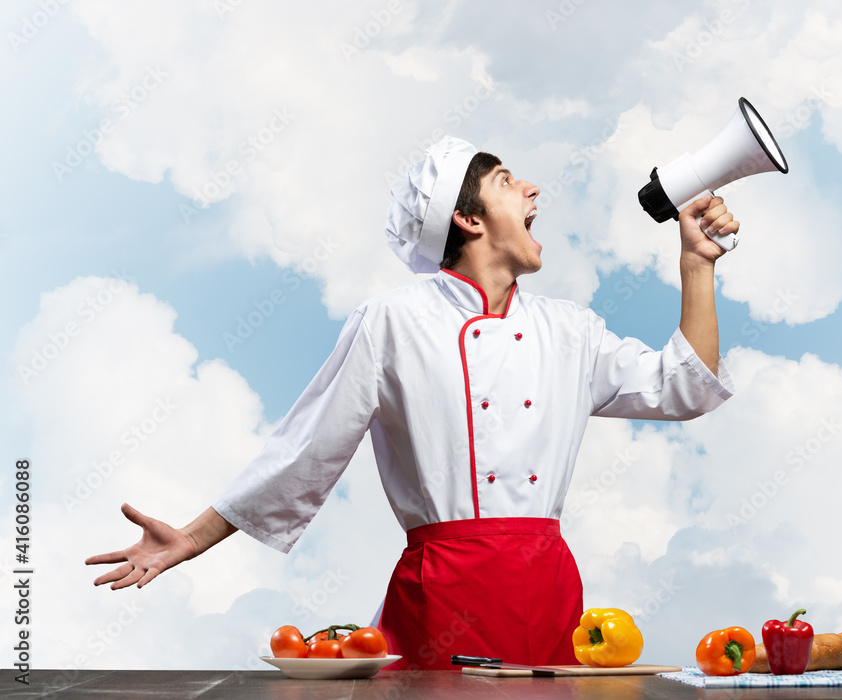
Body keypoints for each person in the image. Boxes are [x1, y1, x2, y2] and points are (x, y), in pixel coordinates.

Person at [87, 136, 738, 670]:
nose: (534, 189)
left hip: (549, 592)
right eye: (510, 180)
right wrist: (194, 539)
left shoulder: (570, 330)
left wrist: (697, 266)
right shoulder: (391, 321)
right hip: (441, 597)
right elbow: (306, 449)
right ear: (468, 218)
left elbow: (683, 386)